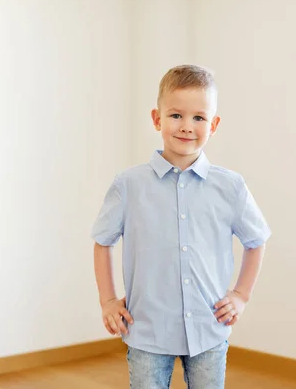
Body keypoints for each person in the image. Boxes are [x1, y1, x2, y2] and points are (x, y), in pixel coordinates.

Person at [91, 64, 271, 388]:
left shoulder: (230, 187)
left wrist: (241, 295)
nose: (187, 126)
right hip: (147, 330)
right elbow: (102, 241)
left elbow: (256, 241)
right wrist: (108, 300)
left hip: (208, 328)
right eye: (176, 115)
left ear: (213, 124)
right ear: (157, 119)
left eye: (199, 118)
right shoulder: (128, 185)